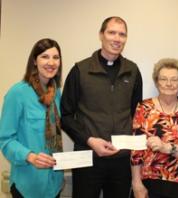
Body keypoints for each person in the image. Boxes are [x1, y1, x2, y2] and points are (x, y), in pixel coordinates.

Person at [60, 16, 143, 198]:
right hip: (87, 158)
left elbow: (137, 114)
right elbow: (65, 116)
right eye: (112, 32)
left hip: (121, 161)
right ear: (101, 35)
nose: (117, 38)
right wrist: (89, 140)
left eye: (122, 34)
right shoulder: (80, 70)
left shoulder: (133, 71)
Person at [0, 38, 64, 198]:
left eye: (56, 57)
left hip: (54, 183)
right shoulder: (18, 93)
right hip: (27, 184)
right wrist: (30, 156)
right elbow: (5, 140)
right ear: (34, 61)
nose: (51, 62)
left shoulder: (56, 93)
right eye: (45, 56)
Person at [131, 58, 178, 198]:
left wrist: (167, 147)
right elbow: (136, 150)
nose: (169, 84)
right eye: (163, 79)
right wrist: (136, 183)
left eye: (174, 79)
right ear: (157, 82)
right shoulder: (144, 108)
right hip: (149, 182)